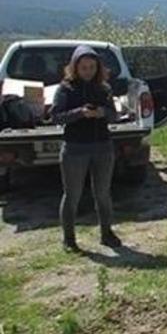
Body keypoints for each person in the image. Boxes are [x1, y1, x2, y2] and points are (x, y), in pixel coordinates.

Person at [51, 45, 121, 252]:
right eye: (84, 67)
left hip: (103, 146)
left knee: (103, 193)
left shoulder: (104, 88)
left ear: (98, 67)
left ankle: (107, 233)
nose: (88, 71)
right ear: (75, 67)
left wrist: (102, 112)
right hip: (75, 148)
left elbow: (114, 115)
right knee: (72, 195)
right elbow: (55, 116)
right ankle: (69, 239)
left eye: (92, 67)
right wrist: (80, 113)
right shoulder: (65, 89)